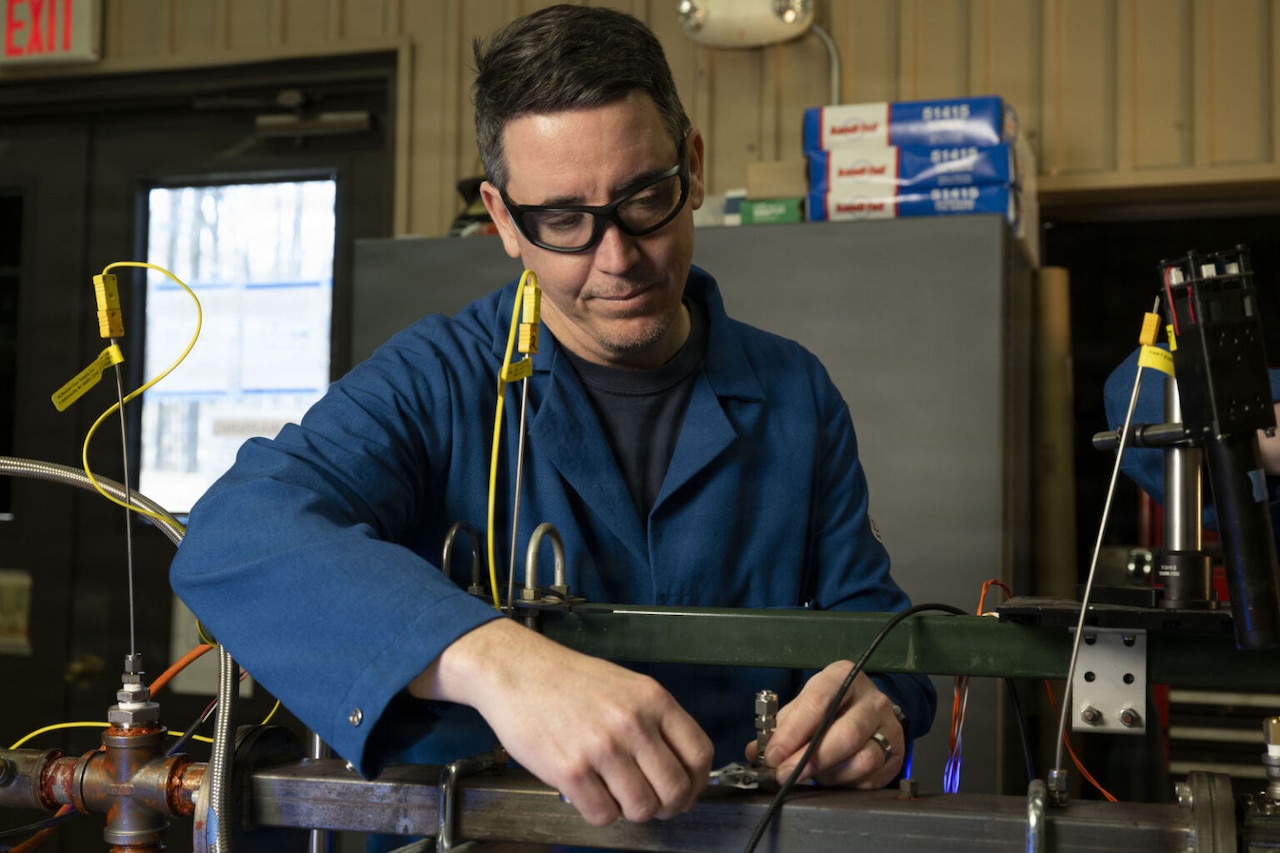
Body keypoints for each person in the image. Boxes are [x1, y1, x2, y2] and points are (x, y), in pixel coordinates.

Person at [169, 3, 936, 838]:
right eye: (564, 221)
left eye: (646, 197)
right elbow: (235, 535)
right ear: (503, 220)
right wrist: (500, 663)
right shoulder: (438, 380)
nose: (618, 258)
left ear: (695, 167)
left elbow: (878, 632)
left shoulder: (795, 393)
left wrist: (878, 710)